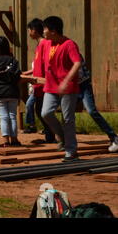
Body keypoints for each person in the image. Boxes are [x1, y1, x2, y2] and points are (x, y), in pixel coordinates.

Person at [39, 16, 82, 162]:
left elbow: (77, 63)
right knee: (45, 113)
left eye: (45, 28)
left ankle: (71, 151)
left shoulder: (69, 44)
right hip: (51, 86)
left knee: (68, 118)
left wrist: (66, 80)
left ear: (53, 31)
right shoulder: (45, 43)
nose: (43, 31)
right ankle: (63, 137)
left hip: (68, 87)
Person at [78, 57, 118, 153]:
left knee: (91, 111)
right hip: (69, 86)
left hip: (82, 85)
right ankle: (65, 141)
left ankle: (114, 137)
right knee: (66, 113)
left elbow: (79, 69)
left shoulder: (71, 47)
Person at [23, 18, 56, 143]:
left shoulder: (45, 44)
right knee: (39, 110)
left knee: (42, 111)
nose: (29, 33)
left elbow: (47, 64)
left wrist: (44, 80)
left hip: (43, 85)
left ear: (34, 30)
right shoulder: (40, 44)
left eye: (29, 30)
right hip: (38, 84)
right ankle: (50, 135)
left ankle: (52, 135)